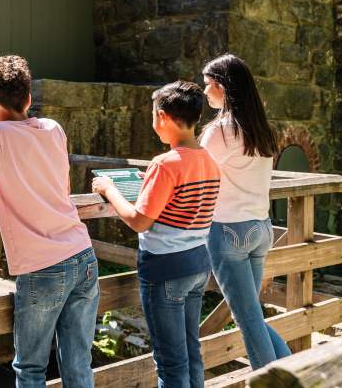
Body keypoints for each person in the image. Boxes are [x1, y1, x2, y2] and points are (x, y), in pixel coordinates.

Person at [0, 55, 98, 388]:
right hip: (82, 256)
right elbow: (54, 186)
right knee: (78, 363)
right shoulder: (53, 129)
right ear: (29, 99)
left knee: (31, 368)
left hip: (42, 267)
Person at [93, 81, 219, 388]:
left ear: (162, 116)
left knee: (170, 363)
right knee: (191, 352)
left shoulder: (165, 164)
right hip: (198, 264)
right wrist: (149, 181)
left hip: (165, 269)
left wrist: (110, 190)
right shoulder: (208, 160)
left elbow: (139, 221)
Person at [199, 54, 291, 369]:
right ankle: (294, 373)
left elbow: (196, 174)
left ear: (223, 86)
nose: (204, 91)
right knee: (252, 315)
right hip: (260, 228)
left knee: (248, 319)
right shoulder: (261, 129)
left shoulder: (220, 130)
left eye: (208, 84)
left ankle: (275, 381)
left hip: (228, 230)